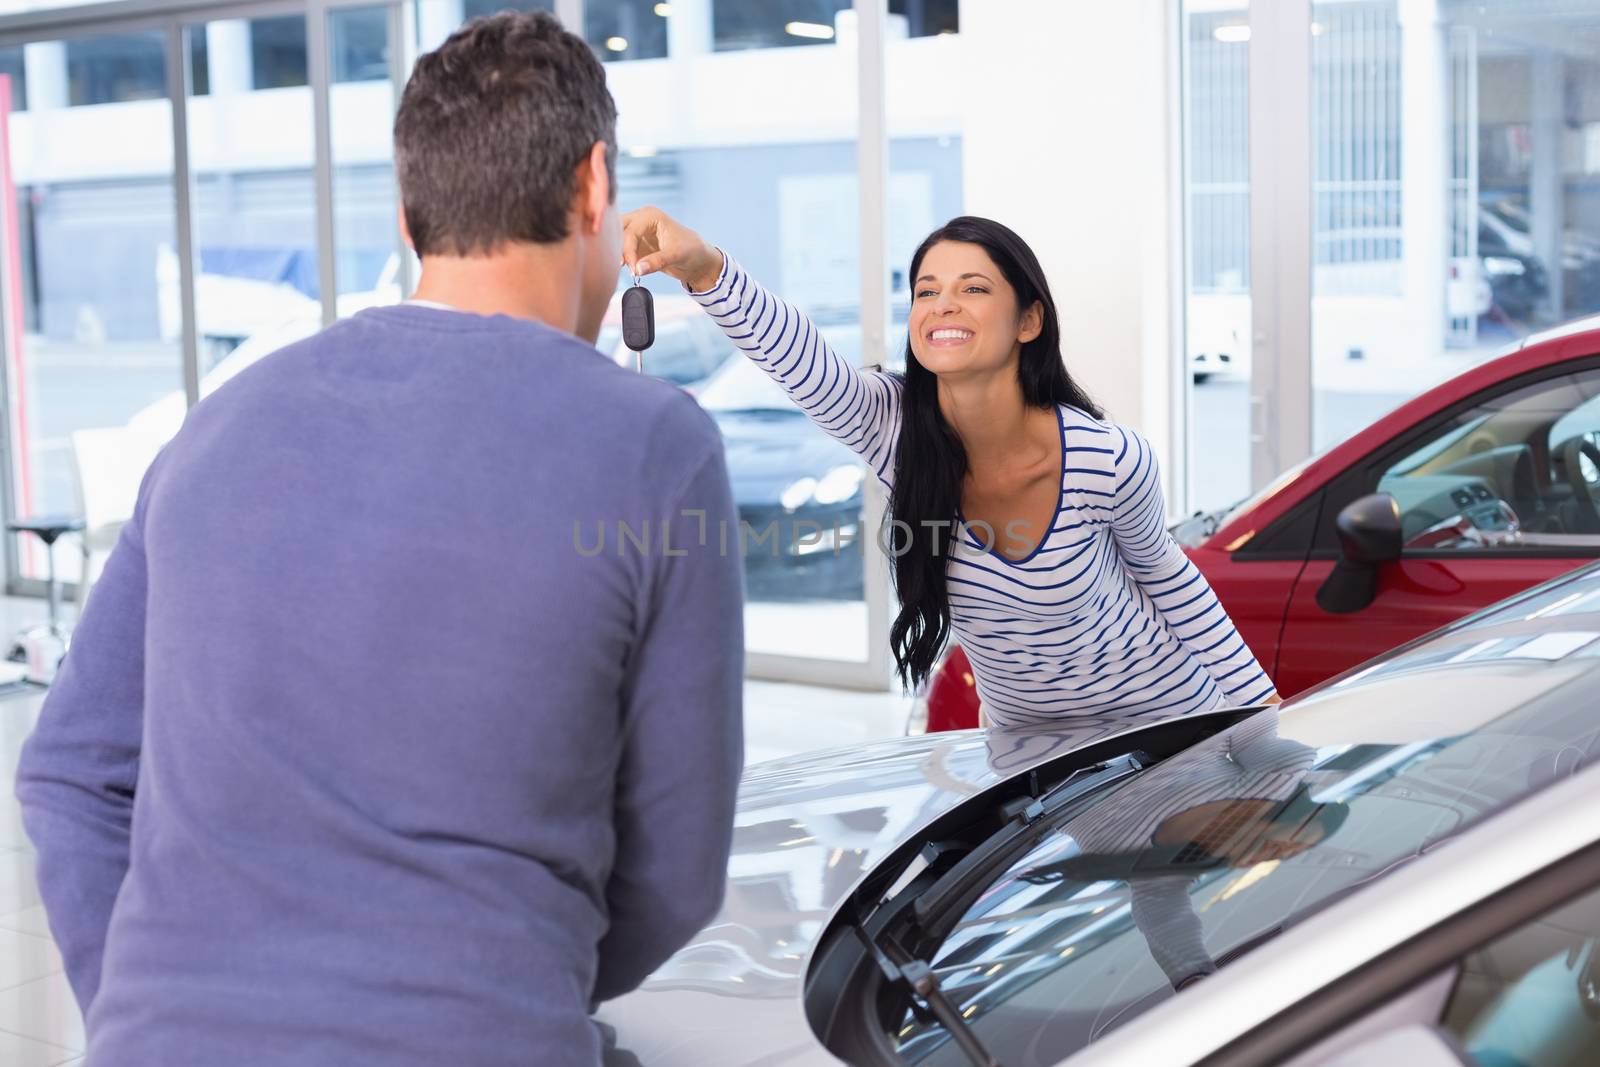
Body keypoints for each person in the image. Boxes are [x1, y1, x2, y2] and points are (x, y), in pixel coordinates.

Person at [17, 13, 744, 1067]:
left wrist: (142, 1002)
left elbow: (72, 773)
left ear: (409, 215)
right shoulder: (655, 446)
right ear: (594, 186)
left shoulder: (217, 426)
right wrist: (506, 978)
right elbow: (675, 871)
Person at [623, 208, 1278, 726]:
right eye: (926, 290)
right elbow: (801, 359)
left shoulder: (1109, 459)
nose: (942, 304)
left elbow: (1169, 578)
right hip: (1030, 750)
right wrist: (704, 267)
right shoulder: (893, 434)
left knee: (1167, 894)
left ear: (1028, 320)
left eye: (973, 288)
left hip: (1164, 720)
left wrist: (1263, 717)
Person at [1017, 710, 1345, 990]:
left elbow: (1168, 925)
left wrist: (1197, 985)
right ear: (1282, 806)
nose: (1265, 856)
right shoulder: (1277, 775)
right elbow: (1249, 709)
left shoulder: (1155, 872)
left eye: (1276, 856)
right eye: (1284, 843)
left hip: (1027, 728)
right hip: (1141, 682)